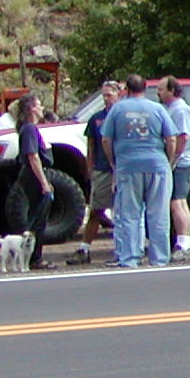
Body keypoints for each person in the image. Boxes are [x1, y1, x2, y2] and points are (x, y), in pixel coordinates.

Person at [101, 73, 181, 269]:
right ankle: (159, 258)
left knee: (129, 215)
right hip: (157, 165)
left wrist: (114, 163)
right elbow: (172, 138)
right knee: (159, 214)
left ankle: (130, 258)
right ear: (146, 88)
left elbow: (105, 139)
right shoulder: (157, 109)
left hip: (128, 166)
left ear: (126, 89)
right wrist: (169, 161)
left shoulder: (117, 109)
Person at [66, 80, 121, 266]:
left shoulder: (124, 115)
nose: (106, 99)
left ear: (118, 95)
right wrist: (90, 168)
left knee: (122, 211)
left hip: (123, 169)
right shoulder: (97, 118)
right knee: (97, 209)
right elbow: (91, 144)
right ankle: (84, 248)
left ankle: (123, 248)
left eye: (109, 95)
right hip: (102, 169)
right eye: (104, 95)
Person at [12, 93, 55, 270]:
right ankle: (34, 257)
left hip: (33, 175)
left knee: (37, 216)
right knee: (38, 218)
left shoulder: (29, 128)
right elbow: (33, 156)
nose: (42, 108)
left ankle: (30, 255)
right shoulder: (29, 129)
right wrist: (44, 182)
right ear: (31, 109)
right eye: (39, 105)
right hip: (33, 176)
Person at [158, 75, 190, 262]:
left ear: (171, 91)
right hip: (173, 162)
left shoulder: (180, 110)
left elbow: (182, 137)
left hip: (180, 163)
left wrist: (172, 160)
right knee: (173, 202)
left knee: (178, 202)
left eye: (161, 89)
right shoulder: (168, 109)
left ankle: (184, 244)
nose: (158, 93)